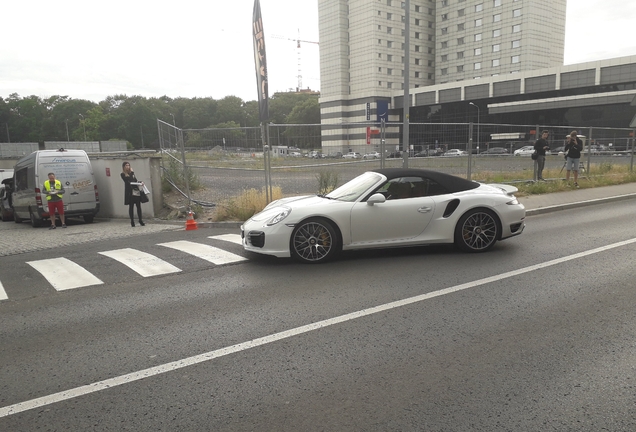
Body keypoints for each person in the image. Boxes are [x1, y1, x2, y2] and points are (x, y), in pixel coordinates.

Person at [121, 161, 145, 227]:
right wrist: (132, 172)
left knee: (138, 206)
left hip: (135, 191)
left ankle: (140, 220)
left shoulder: (132, 174)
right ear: (124, 167)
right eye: (126, 165)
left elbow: (135, 180)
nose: (128, 167)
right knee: (131, 207)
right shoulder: (123, 174)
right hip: (129, 192)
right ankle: (132, 221)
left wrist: (141, 182)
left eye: (128, 165)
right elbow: (129, 180)